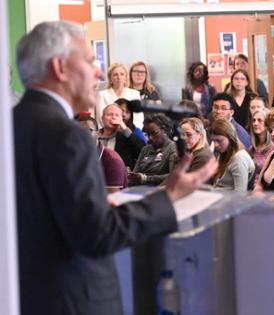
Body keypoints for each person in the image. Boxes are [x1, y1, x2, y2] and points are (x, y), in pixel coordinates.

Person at [13, 21, 216, 315]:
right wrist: (169, 198)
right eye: (89, 61)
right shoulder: (68, 136)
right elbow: (96, 234)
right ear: (59, 67)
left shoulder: (12, 125)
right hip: (73, 300)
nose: (98, 72)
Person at [76, 113, 128, 192]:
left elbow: (112, 198)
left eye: (88, 130)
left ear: (98, 133)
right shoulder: (75, 156)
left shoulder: (112, 160)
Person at [128, 114, 177, 186]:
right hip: (139, 188)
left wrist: (146, 178)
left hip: (159, 190)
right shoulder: (146, 149)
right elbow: (135, 173)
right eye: (147, 134)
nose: (150, 138)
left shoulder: (173, 148)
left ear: (165, 131)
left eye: (154, 133)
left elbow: (174, 176)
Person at [210, 118, 255, 192]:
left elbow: (240, 194)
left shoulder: (239, 159)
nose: (215, 145)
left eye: (219, 140)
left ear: (231, 138)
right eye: (213, 140)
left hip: (226, 201)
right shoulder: (224, 153)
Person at [97, 103, 145, 169]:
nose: (113, 117)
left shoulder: (125, 137)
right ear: (102, 118)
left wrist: (124, 128)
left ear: (121, 119)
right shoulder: (94, 136)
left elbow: (143, 151)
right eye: (109, 114)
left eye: (117, 115)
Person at [97, 63, 142, 127]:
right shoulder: (102, 95)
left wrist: (129, 132)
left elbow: (139, 118)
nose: (119, 77)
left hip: (131, 132)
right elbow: (102, 118)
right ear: (110, 79)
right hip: (110, 131)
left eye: (122, 74)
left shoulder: (135, 94)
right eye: (115, 75)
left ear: (126, 78)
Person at [248, 107, 274, 188]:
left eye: (260, 120)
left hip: (264, 191)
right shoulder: (252, 148)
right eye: (253, 120)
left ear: (268, 124)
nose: (255, 123)